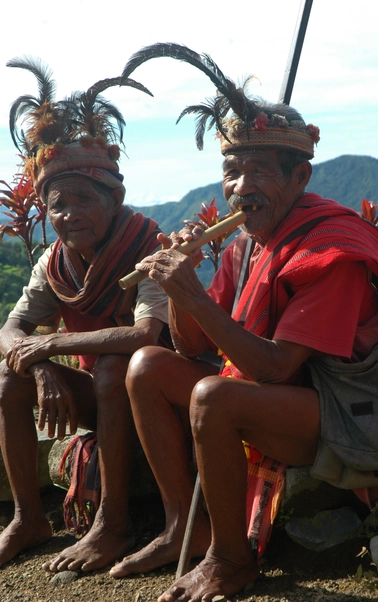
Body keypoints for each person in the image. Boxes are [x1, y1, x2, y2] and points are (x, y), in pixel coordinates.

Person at [106, 44, 378, 600]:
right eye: (232, 171)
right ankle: (181, 530)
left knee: (214, 398)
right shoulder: (247, 246)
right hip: (290, 399)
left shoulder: (332, 251)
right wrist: (180, 286)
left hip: (355, 413)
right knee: (147, 365)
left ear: (300, 178)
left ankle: (230, 559)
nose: (241, 187)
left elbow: (277, 369)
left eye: (259, 172)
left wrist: (195, 295)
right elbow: (195, 345)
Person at [0, 57, 170, 571]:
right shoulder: (56, 264)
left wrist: (52, 345)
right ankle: (28, 517)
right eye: (56, 205)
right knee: (9, 381)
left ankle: (113, 525)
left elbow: (145, 334)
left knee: (118, 365)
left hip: (157, 398)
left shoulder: (148, 245)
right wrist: (40, 365)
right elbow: (10, 329)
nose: (68, 214)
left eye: (82, 199)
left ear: (113, 198)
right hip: (99, 396)